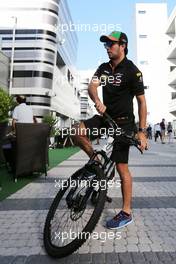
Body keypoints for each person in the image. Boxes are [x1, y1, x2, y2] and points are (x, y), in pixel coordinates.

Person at [73, 31, 148, 229]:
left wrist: (141, 131)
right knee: (77, 132)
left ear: (123, 45)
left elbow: (142, 103)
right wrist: (97, 100)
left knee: (121, 167)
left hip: (124, 124)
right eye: (105, 44)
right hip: (105, 118)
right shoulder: (104, 68)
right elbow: (92, 87)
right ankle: (96, 162)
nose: (107, 47)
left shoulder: (133, 71)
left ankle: (126, 212)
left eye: (111, 44)